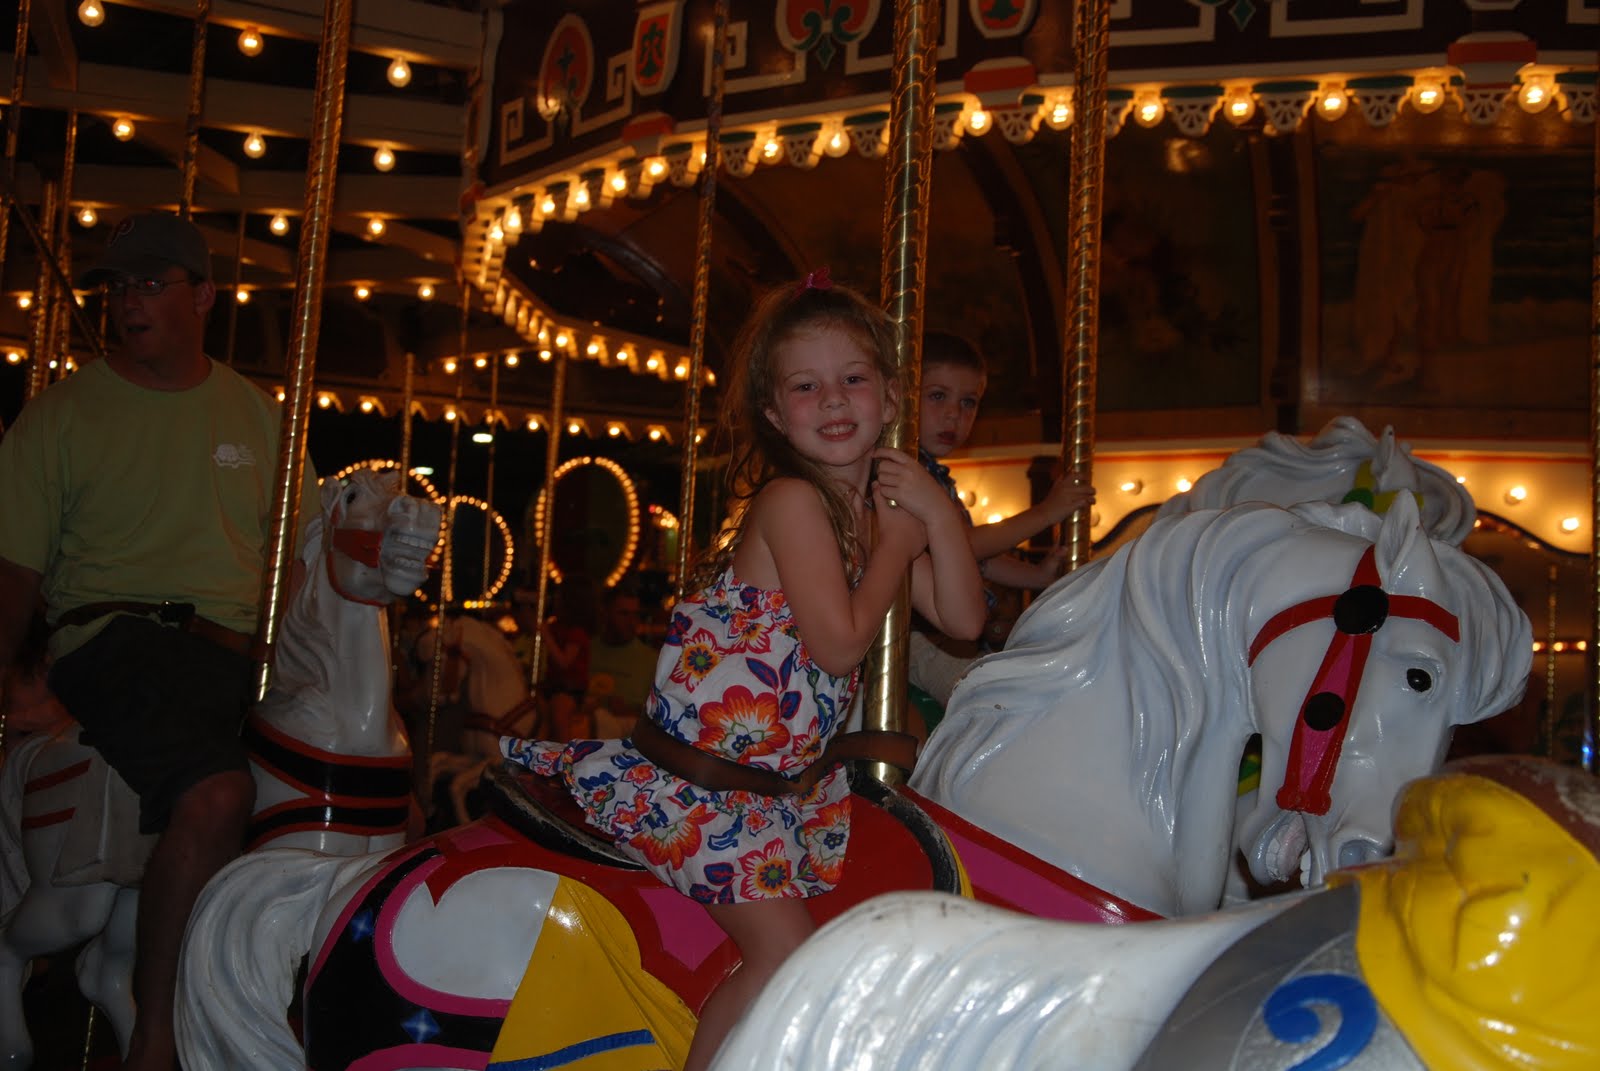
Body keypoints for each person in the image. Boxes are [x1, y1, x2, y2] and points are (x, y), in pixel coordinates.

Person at [501, 272, 986, 1070]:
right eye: (806, 386)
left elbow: (964, 620)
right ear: (773, 412)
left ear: (891, 396)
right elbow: (838, 645)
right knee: (784, 959)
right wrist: (903, 544)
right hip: (699, 787)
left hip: (769, 795)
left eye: (853, 378)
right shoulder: (792, 501)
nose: (834, 400)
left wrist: (936, 515)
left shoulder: (876, 517)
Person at [0, 211, 312, 1071]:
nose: (128, 302)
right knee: (215, 793)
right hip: (117, 639)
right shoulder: (62, 417)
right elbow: (15, 574)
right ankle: (156, 1034)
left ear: (204, 295)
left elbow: (300, 559)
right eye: (117, 288)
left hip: (236, 655)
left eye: (149, 283)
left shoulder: (258, 417)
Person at [582, 577, 658, 737]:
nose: (631, 621)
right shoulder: (587, 649)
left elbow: (657, 715)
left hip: (624, 732)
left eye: (635, 615)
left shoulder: (652, 660)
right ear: (605, 613)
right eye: (623, 614)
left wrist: (629, 710)